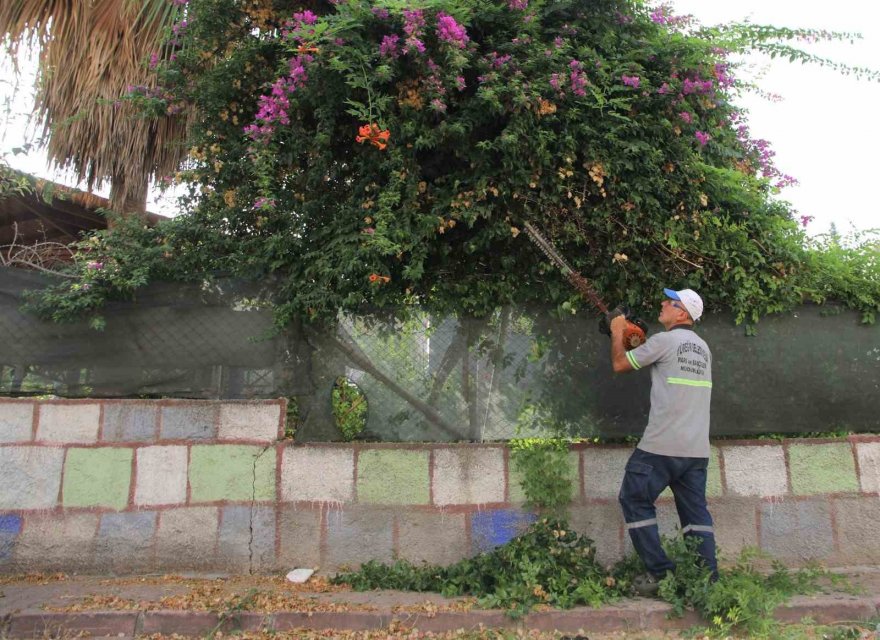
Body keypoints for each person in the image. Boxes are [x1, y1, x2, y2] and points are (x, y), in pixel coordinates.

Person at [608, 288, 717, 596]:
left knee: (633, 498)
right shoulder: (703, 348)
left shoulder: (665, 341)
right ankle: (708, 583)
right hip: (696, 452)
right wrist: (634, 335)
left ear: (682, 314)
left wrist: (618, 331)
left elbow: (620, 363)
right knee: (696, 517)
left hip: (661, 447)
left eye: (669, 302)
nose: (662, 304)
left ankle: (661, 574)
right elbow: (657, 358)